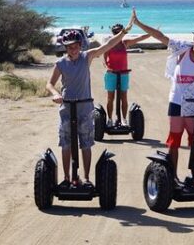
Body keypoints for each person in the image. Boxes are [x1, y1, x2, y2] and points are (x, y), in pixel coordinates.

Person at [132, 9, 194, 183]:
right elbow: (160, 36)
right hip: (176, 101)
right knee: (174, 141)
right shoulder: (183, 49)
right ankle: (171, 177)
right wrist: (139, 23)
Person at [46, 12, 134, 187]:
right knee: (66, 145)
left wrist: (123, 32)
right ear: (65, 47)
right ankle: (66, 178)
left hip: (85, 107)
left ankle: (86, 178)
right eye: (70, 47)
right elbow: (49, 83)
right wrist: (55, 94)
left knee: (86, 144)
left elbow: (108, 44)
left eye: (76, 46)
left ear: (80, 45)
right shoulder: (60, 64)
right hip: (67, 107)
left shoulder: (87, 57)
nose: (73, 50)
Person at [103, 23, 151, 124]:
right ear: (113, 33)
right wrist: (107, 67)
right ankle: (110, 119)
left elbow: (139, 38)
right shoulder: (109, 44)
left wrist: (152, 33)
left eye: (120, 32)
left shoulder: (125, 43)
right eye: (116, 32)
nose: (118, 34)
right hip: (111, 73)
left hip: (124, 73)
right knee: (110, 97)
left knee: (123, 97)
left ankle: (124, 119)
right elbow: (104, 58)